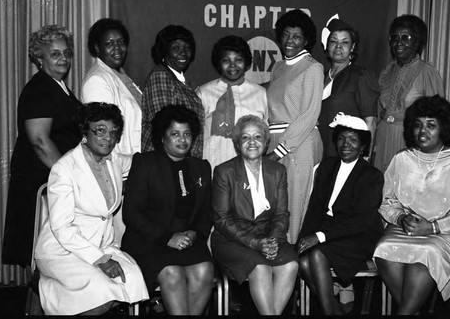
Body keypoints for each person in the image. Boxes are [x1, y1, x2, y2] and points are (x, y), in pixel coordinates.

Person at [34, 102, 149, 315]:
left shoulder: (113, 160)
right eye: (101, 130)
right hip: (63, 250)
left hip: (102, 244)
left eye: (114, 132)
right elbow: (62, 228)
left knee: (132, 278)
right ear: (85, 132)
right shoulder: (65, 168)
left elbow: (139, 162)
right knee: (102, 290)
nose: (109, 138)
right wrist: (100, 259)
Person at [373, 95, 450, 315]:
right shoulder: (401, 159)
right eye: (418, 125)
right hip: (408, 228)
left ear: (444, 128)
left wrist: (432, 228)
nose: (423, 131)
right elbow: (388, 201)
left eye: (431, 125)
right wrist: (400, 218)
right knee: (383, 251)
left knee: (424, 257)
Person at [121, 104, 214, 315]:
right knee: (172, 273)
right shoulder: (145, 163)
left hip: (189, 241)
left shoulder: (201, 167)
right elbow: (132, 213)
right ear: (162, 137)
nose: (182, 140)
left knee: (204, 270)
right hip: (150, 242)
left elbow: (207, 211)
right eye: (175, 134)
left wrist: (195, 233)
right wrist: (167, 238)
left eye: (187, 134)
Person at [2, 25, 82, 267]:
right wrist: (68, 177)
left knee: (51, 257)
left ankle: (38, 305)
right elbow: (39, 141)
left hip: (51, 179)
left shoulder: (58, 87)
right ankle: (36, 305)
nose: (63, 59)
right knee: (46, 253)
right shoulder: (39, 89)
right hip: (41, 180)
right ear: (39, 58)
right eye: (55, 53)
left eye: (66, 53)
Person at [211, 115, 299, 315]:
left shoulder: (278, 170)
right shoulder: (224, 172)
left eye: (258, 137)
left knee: (291, 264)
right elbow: (222, 220)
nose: (252, 142)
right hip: (232, 240)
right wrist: (255, 243)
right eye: (245, 138)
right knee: (260, 267)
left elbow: (282, 214)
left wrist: (273, 239)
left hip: (268, 237)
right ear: (237, 143)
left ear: (266, 142)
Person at [297, 113, 384, 315]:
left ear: (363, 146)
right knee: (302, 260)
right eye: (342, 138)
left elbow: (360, 221)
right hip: (329, 232)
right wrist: (303, 238)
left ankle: (329, 312)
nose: (346, 144)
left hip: (359, 236)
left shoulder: (371, 176)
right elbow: (315, 208)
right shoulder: (327, 166)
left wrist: (318, 237)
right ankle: (334, 309)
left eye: (353, 140)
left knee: (317, 255)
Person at [266, 9, 324, 243]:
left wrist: (280, 150)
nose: (290, 41)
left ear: (306, 40)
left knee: (296, 203)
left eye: (296, 36)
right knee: (278, 203)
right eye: (286, 35)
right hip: (276, 141)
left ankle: (293, 263)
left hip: (299, 143)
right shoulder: (278, 68)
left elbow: (309, 115)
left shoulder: (313, 67)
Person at [373, 14, 444, 172]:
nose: (399, 43)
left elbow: (438, 119)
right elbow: (379, 113)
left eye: (406, 37)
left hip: (410, 143)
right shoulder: (386, 72)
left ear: (417, 41)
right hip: (383, 139)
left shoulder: (427, 73)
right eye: (394, 37)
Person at [196, 35, 268, 170]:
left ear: (247, 63)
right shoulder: (203, 93)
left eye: (238, 60)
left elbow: (264, 136)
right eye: (226, 60)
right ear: (218, 63)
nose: (233, 65)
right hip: (211, 166)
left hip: (249, 168)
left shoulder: (260, 93)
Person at [318, 18, 379, 159]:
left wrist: (365, 158)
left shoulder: (361, 75)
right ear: (326, 46)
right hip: (319, 150)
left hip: (346, 153)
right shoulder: (319, 76)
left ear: (352, 47)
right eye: (333, 41)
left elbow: (371, 121)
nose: (338, 46)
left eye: (345, 42)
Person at [81, 18, 142, 156]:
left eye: (121, 42)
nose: (117, 48)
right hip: (120, 166)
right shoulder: (97, 80)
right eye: (109, 43)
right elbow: (102, 137)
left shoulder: (121, 75)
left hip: (134, 162)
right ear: (97, 48)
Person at [141, 25, 205, 158]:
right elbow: (164, 128)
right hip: (166, 162)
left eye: (187, 47)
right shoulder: (161, 76)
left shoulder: (178, 79)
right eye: (176, 48)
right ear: (165, 51)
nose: (183, 53)